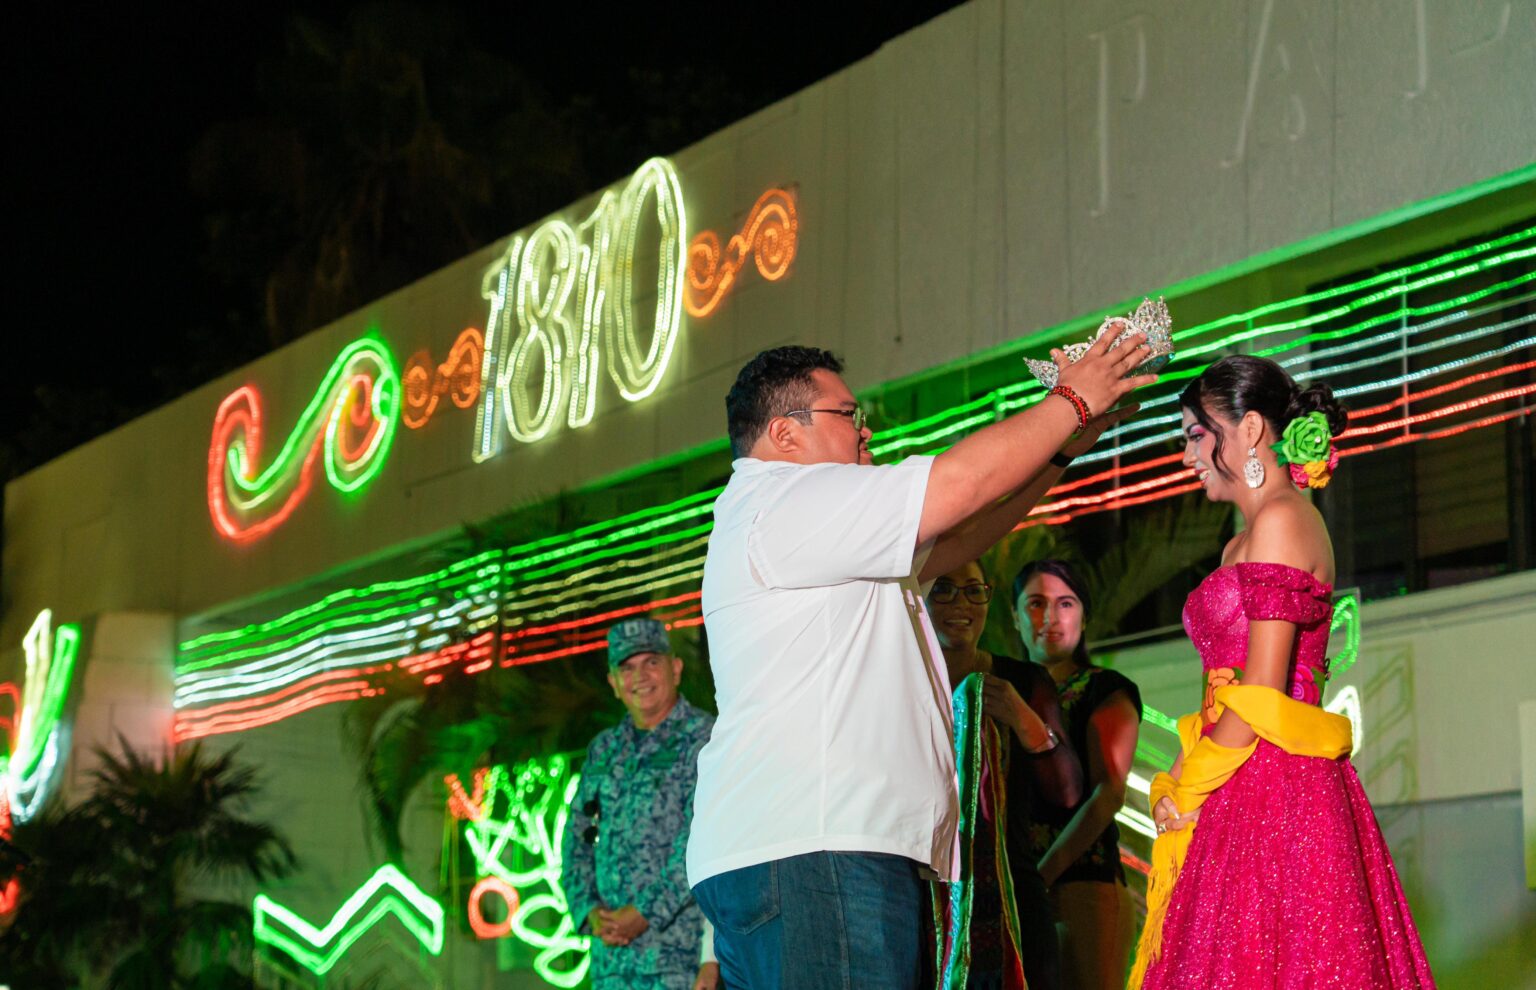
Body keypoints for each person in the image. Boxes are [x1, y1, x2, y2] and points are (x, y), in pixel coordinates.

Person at [688, 332, 1153, 990]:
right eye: (847, 415)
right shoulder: (788, 500)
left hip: (810, 852)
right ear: (785, 434)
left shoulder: (806, 527)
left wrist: (1061, 454)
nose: (863, 429)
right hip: (817, 851)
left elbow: (961, 535)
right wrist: (1072, 400)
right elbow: (958, 484)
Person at [1130, 354, 1435, 988]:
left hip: (1276, 785)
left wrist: (1188, 785)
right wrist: (1187, 772)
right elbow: (1226, 683)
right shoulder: (1242, 540)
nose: (1186, 455)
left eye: (1195, 434)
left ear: (1248, 431)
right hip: (1238, 773)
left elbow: (1263, 691)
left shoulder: (1283, 521)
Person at [931, 559, 1082, 990]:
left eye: (974, 590)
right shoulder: (902, 684)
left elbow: (1068, 794)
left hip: (1011, 899)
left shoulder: (1020, 680)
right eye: (944, 589)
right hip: (925, 905)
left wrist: (1024, 719)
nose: (961, 604)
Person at [560, 617, 718, 990]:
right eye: (627, 667)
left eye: (652, 662)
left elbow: (705, 840)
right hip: (611, 964)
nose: (640, 677)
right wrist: (590, 911)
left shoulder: (706, 739)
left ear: (675, 669)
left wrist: (646, 912)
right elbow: (578, 837)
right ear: (614, 684)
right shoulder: (604, 750)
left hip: (678, 960)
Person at [1013, 559, 1142, 990]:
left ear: (1084, 616)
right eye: (1035, 603)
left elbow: (1109, 794)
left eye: (1065, 603)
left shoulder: (1105, 689)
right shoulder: (999, 691)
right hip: (1014, 892)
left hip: (1082, 886)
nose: (1050, 618)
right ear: (1014, 616)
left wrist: (1042, 877)